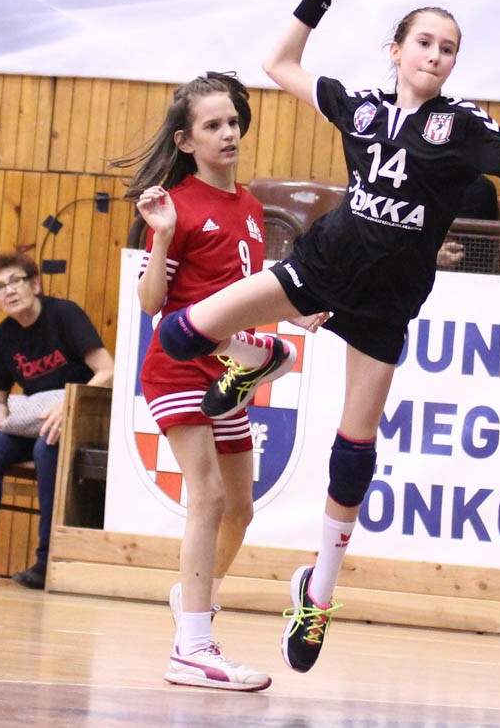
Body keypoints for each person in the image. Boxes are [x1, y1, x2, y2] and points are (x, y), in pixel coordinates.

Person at [151, 0, 500, 674]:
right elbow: (277, 62)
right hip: (323, 267)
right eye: (425, 43)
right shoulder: (362, 108)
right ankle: (255, 358)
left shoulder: (465, 125)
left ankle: (317, 589)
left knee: (355, 452)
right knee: (178, 333)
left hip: (387, 300)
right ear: (397, 50)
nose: (436, 56)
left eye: (449, 49)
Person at [112, 72, 317, 692]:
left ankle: (193, 598)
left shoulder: (250, 207)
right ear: (186, 140)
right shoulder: (175, 207)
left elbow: (243, 292)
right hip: (177, 366)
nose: (228, 133)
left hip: (227, 370)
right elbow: (152, 302)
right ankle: (193, 647)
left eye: (232, 122)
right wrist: (162, 236)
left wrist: (296, 311)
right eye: (212, 125)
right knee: (206, 497)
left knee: (239, 509)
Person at [0, 252, 113, 590]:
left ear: (35, 284)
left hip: (77, 422)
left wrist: (68, 405)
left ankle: (46, 560)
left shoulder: (64, 314)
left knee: (46, 446)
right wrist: (0, 422)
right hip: (33, 423)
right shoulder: (3, 337)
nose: (9, 290)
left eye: (15, 281)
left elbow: (108, 371)